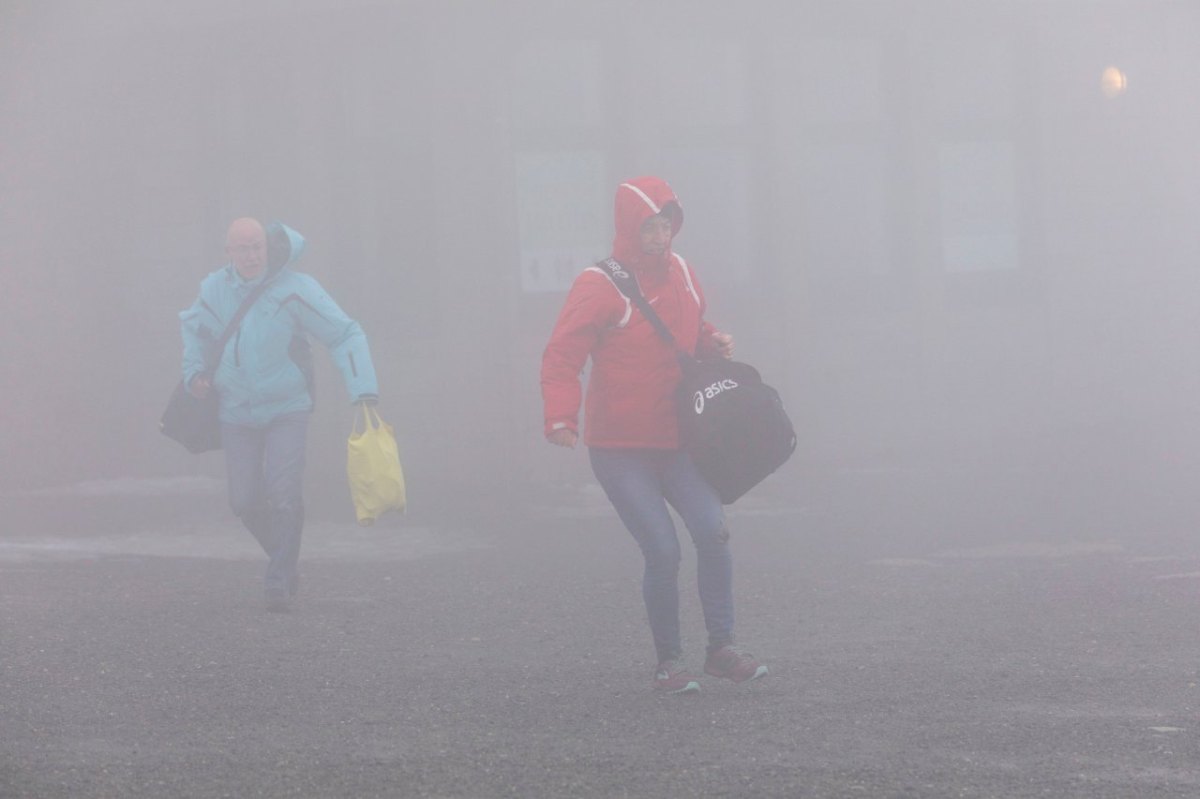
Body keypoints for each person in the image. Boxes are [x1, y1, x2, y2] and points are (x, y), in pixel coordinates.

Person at [541, 177, 768, 694]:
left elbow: (690, 326)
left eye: (666, 226)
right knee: (662, 550)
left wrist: (712, 342)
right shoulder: (598, 284)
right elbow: (562, 354)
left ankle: (722, 649)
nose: (660, 237)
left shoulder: (683, 272)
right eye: (650, 227)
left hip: (679, 439)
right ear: (629, 228)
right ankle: (669, 662)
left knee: (713, 531)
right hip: (620, 449)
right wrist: (560, 418)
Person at [180, 218, 378, 612]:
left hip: (288, 407)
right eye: (242, 248)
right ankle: (285, 560)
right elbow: (195, 332)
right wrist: (194, 374)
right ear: (228, 253)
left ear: (268, 249)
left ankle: (277, 580)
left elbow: (344, 333)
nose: (251, 255)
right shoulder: (213, 290)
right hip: (236, 410)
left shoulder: (295, 290)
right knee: (243, 501)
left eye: (257, 247)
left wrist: (363, 389)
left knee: (283, 495)